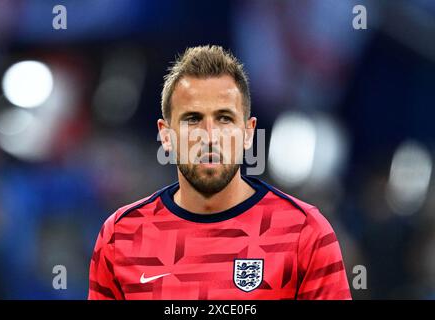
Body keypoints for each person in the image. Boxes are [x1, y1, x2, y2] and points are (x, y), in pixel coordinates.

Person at [88, 45, 351, 300]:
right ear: (166, 136)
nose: (210, 136)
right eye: (192, 119)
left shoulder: (305, 232)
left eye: (224, 118)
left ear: (249, 133)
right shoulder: (120, 236)